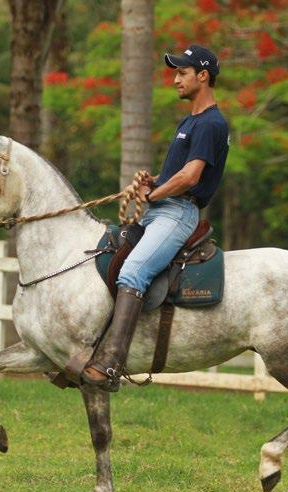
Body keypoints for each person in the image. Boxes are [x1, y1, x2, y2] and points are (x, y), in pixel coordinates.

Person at [82, 44, 230, 392]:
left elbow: (191, 177)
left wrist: (155, 193)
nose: (175, 79)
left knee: (134, 270)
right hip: (162, 209)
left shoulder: (210, 123)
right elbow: (176, 175)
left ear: (203, 76)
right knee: (110, 256)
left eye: (182, 72)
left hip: (178, 213)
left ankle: (111, 364)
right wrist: (154, 183)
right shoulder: (190, 121)